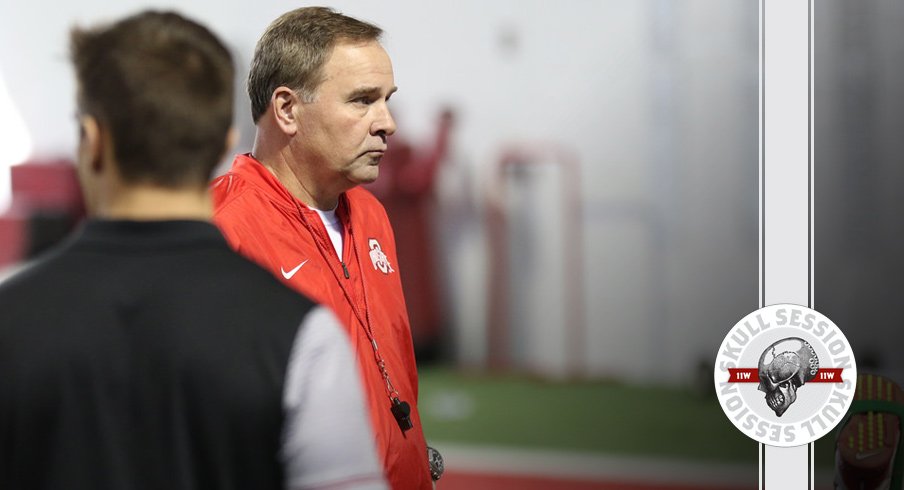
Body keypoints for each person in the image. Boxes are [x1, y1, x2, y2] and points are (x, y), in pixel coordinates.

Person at [0, 11, 385, 490]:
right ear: (224, 141)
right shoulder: (302, 335)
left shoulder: (11, 319)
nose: (384, 121)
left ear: (93, 142)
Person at [211, 7, 438, 488]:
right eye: (362, 100)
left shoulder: (372, 215)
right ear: (287, 109)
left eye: (387, 100)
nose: (388, 123)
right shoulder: (221, 230)